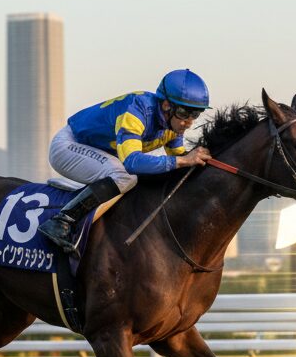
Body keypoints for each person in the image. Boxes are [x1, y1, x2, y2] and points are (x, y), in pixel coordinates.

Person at [38, 68, 213, 252]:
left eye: (195, 114)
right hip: (68, 145)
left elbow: (178, 159)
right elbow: (132, 163)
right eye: (185, 112)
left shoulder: (173, 126)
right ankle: (61, 221)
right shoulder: (138, 109)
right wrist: (184, 161)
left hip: (99, 153)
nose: (189, 122)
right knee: (125, 176)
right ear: (167, 105)